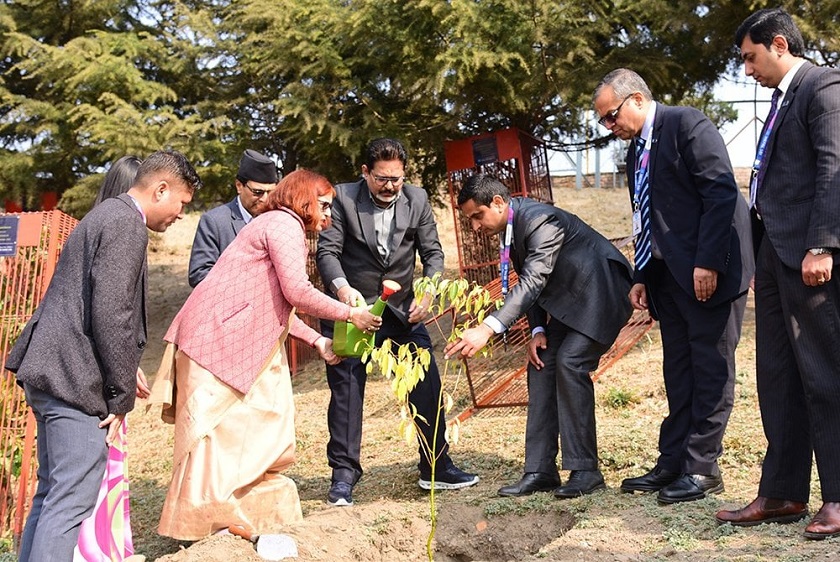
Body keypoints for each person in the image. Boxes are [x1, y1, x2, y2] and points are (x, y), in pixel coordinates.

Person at [151, 169, 380, 540]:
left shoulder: (276, 224)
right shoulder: (283, 225)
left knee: (262, 423)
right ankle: (211, 527)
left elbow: (275, 305)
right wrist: (349, 313)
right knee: (217, 438)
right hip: (214, 343)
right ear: (304, 199)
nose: (328, 216)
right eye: (323, 205)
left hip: (226, 342)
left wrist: (317, 341)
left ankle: (237, 518)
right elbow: (298, 292)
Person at [5, 150, 202, 562]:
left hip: (53, 371)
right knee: (71, 500)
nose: (181, 214)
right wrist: (119, 392)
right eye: (182, 203)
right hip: (72, 380)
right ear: (160, 189)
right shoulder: (126, 224)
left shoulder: (107, 215)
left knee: (53, 495)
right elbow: (112, 313)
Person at [592, 68, 753, 504]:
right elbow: (645, 218)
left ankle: (703, 468)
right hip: (668, 279)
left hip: (710, 273)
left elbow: (720, 194)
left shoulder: (686, 124)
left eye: (612, 116)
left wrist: (707, 262)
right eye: (604, 121)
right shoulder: (635, 152)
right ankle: (673, 460)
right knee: (679, 371)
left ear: (638, 99)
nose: (610, 127)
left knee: (710, 368)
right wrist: (643, 275)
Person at [715, 8, 840, 539]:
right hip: (774, 254)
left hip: (809, 255)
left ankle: (837, 496)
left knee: (824, 376)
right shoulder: (782, 98)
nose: (746, 68)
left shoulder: (822, 86)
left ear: (780, 44)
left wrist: (822, 243)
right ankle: (784, 492)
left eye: (750, 56)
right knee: (778, 377)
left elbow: (836, 167)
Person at [444, 174, 633, 498]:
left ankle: (586, 471)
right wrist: (537, 329)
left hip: (602, 295)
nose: (475, 227)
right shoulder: (513, 229)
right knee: (542, 363)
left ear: (499, 203)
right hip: (568, 305)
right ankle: (541, 470)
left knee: (570, 362)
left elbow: (533, 280)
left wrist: (488, 328)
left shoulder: (539, 220)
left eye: (477, 216)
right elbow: (530, 285)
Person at [316, 137, 479, 507]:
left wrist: (429, 292)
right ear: (365, 173)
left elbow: (433, 252)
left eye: (396, 179)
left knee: (426, 383)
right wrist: (344, 295)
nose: (390, 186)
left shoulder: (417, 199)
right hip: (354, 313)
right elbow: (327, 252)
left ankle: (436, 466)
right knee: (347, 391)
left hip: (404, 311)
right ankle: (343, 476)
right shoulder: (340, 198)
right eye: (381, 179)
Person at [188, 149, 279, 287]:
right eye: (258, 192)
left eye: (270, 192)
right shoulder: (214, 221)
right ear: (239, 186)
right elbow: (199, 274)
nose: (265, 199)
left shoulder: (276, 220)